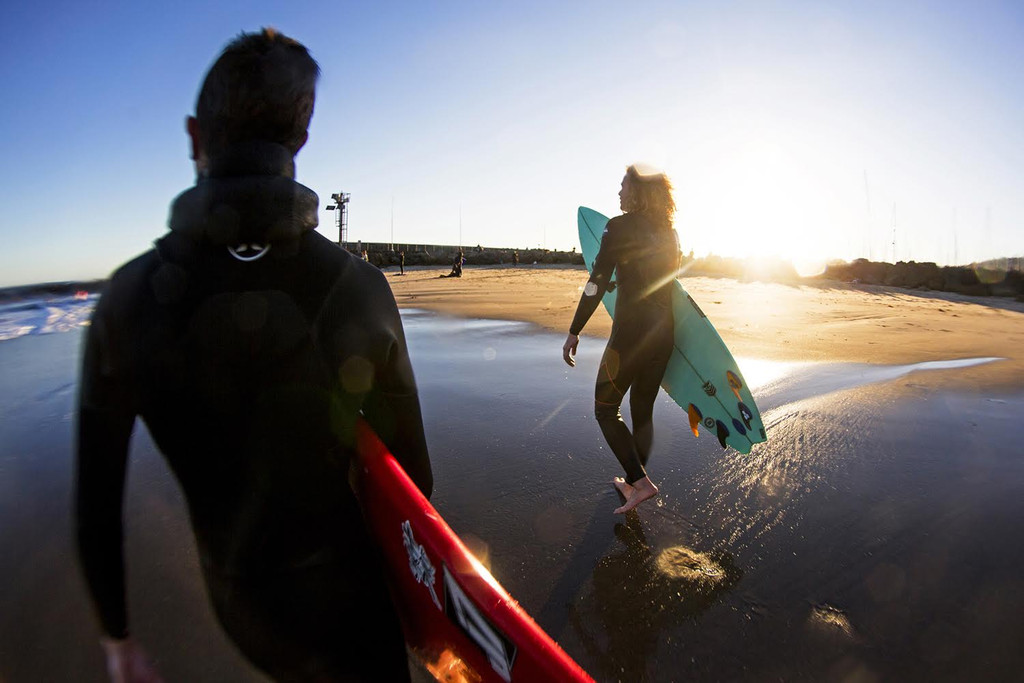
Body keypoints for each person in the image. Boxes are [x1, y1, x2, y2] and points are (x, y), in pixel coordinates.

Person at [75, 28, 432, 682]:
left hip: (240, 605)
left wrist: (118, 641)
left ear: (195, 137)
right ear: (302, 138)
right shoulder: (359, 289)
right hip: (348, 606)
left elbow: (96, 505)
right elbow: (413, 479)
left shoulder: (125, 302)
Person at [562, 164, 681, 514]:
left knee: (604, 409)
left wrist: (574, 330)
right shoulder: (670, 234)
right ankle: (633, 483)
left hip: (630, 337)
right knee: (642, 410)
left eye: (623, 185)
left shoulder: (618, 227)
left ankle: (641, 483)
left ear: (637, 191)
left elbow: (597, 281)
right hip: (663, 335)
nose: (618, 192)